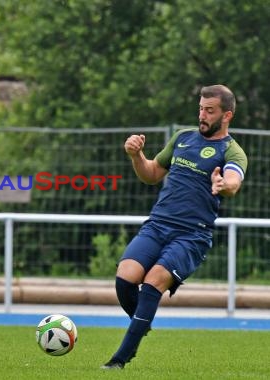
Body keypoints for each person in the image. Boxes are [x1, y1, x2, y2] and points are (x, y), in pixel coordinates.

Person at [101, 84, 248, 369]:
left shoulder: (232, 151)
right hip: (158, 225)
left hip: (192, 234)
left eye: (210, 111)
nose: (202, 115)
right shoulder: (182, 139)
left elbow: (233, 181)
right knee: (124, 277)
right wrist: (136, 156)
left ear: (226, 115)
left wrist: (223, 185)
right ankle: (141, 324)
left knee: (153, 281)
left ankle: (119, 359)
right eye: (200, 109)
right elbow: (152, 174)